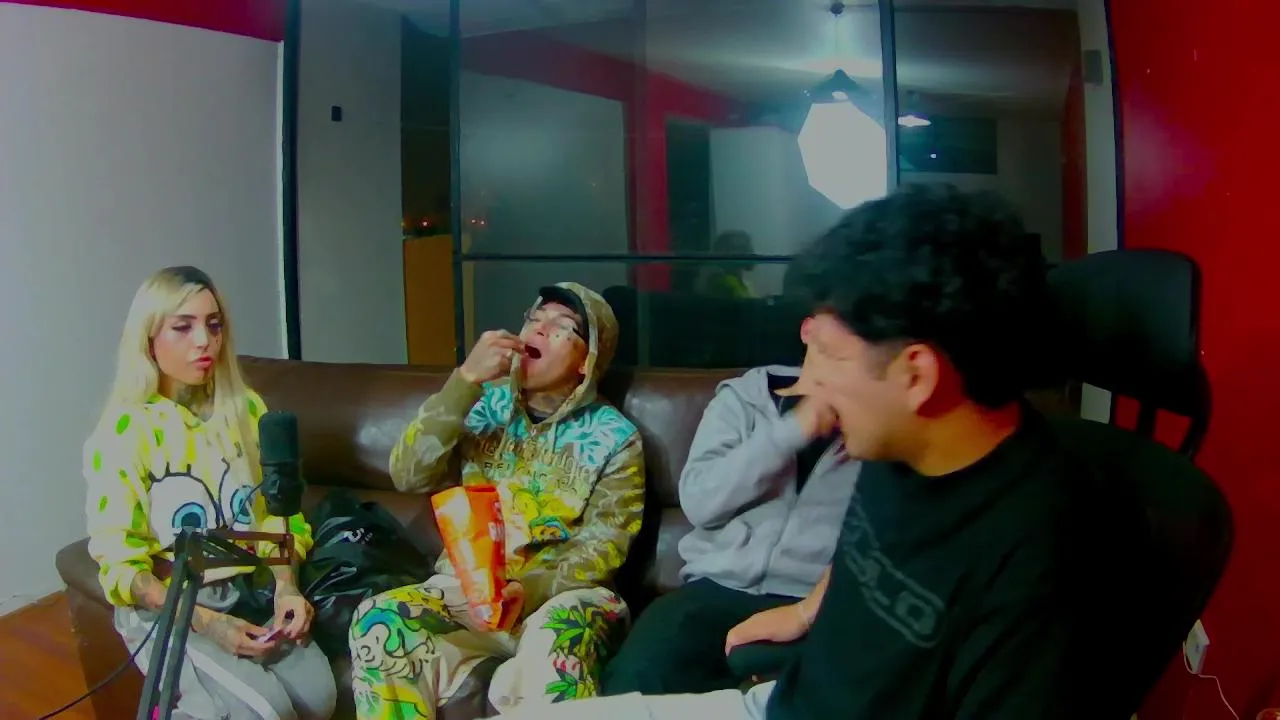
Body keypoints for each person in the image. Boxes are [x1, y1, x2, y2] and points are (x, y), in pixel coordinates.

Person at [484, 183, 1143, 720]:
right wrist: (807, 609)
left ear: (915, 376)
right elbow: (867, 551)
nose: (809, 382)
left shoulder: (1039, 556)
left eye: (828, 355)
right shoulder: (906, 448)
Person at [349, 282, 644, 719]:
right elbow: (408, 474)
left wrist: (529, 589)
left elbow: (604, 547)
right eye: (534, 318)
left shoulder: (615, 438)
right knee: (381, 619)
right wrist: (464, 381)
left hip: (564, 597)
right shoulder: (482, 403)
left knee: (557, 638)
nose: (538, 328)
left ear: (587, 361)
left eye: (561, 326)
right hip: (467, 591)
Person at [83, 266, 336, 720]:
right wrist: (208, 622)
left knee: (320, 697)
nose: (204, 340)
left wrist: (285, 587)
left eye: (213, 325)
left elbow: (278, 515)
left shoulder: (246, 409)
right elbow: (121, 567)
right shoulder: (125, 433)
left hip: (247, 589)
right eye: (183, 327)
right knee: (265, 709)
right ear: (149, 339)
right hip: (171, 604)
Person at [601, 321, 857, 695]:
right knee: (636, 680)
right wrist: (793, 430)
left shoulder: (879, 426)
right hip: (714, 587)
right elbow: (700, 503)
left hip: (810, 602)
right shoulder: (741, 400)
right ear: (808, 329)